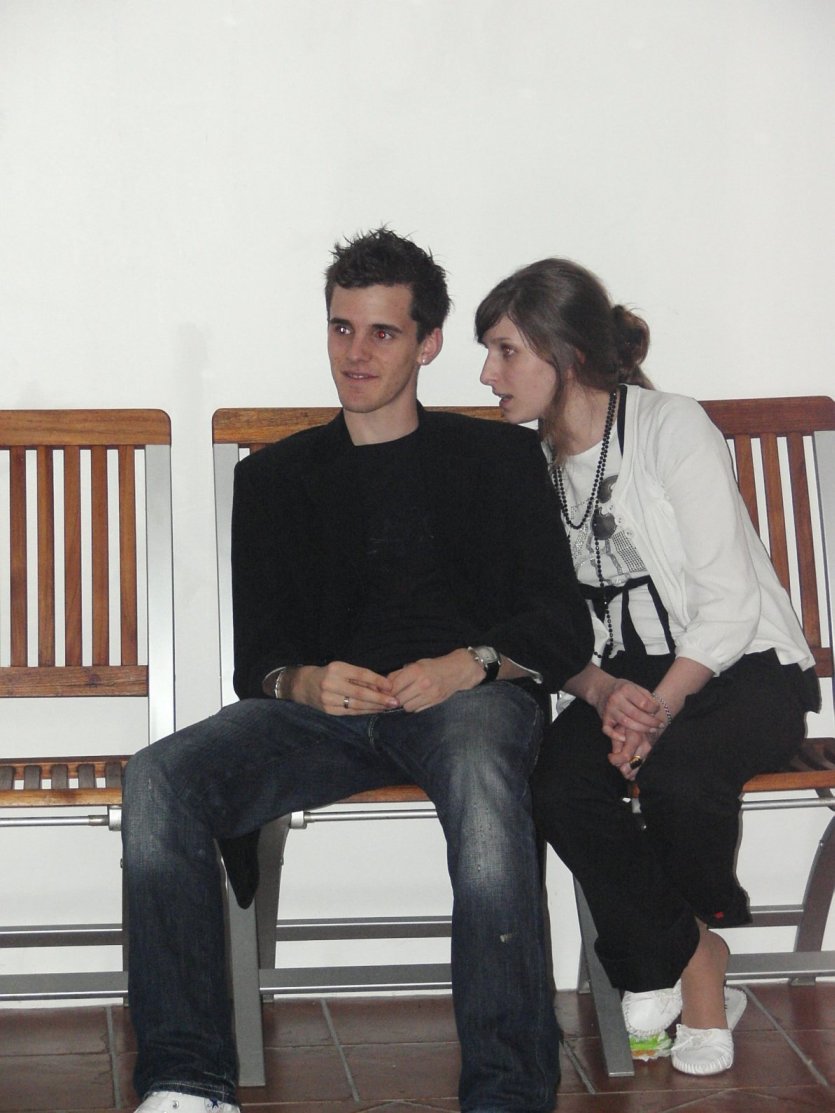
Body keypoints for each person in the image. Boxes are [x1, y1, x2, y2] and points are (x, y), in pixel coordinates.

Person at [123, 230, 593, 1113]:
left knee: (483, 777)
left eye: (382, 332)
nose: (356, 353)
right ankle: (186, 1080)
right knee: (159, 776)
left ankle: (506, 1091)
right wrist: (300, 682)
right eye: (342, 328)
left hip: (464, 702)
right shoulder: (276, 478)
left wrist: (468, 664)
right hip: (328, 715)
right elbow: (260, 659)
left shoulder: (495, 460)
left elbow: (560, 625)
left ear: (427, 343)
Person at [475, 257, 820, 1076]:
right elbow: (541, 625)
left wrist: (654, 710)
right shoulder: (522, 467)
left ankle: (672, 977)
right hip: (623, 680)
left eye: (505, 351)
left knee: (679, 774)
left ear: (565, 355)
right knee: (556, 782)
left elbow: (730, 602)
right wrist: (600, 692)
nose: (487, 374)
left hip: (742, 664)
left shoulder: (670, 425)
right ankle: (694, 952)